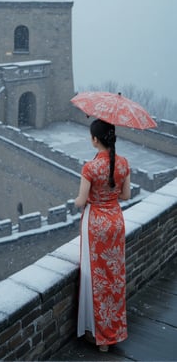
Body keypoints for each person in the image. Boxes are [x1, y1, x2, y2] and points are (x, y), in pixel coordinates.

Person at [75, 119, 131, 353]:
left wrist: (86, 200)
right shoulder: (123, 164)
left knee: (94, 278)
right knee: (114, 277)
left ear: (95, 139)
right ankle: (113, 333)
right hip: (116, 223)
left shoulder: (90, 168)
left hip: (96, 225)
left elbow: (80, 201)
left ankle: (99, 335)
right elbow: (126, 196)